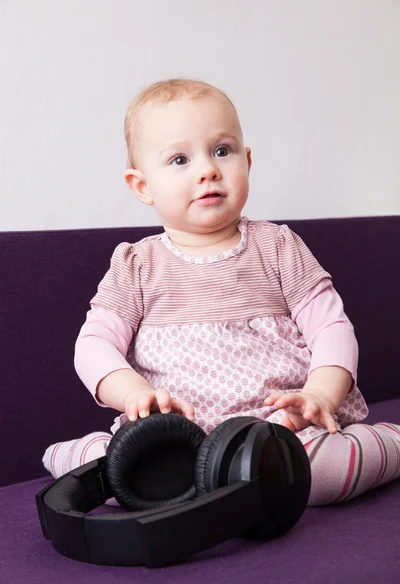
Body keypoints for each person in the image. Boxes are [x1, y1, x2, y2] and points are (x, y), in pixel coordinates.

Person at [42, 78, 400, 506]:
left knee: (321, 475)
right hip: (176, 442)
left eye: (222, 151)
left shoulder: (278, 246)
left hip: (279, 429)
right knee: (120, 473)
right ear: (142, 186)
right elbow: (93, 345)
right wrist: (132, 392)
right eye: (179, 159)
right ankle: (77, 454)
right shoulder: (136, 265)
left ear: (246, 161)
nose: (208, 169)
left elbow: (331, 328)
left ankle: (388, 442)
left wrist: (320, 394)